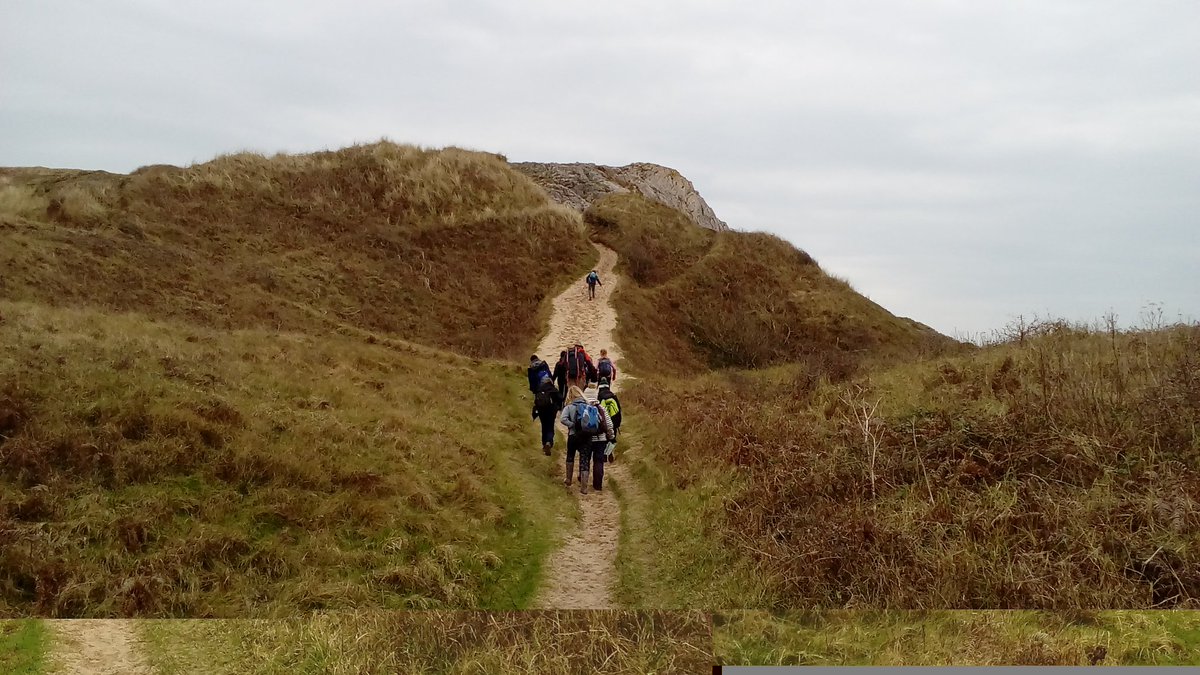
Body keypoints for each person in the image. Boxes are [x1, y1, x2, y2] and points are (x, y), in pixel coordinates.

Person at [558, 385, 614, 493]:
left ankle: (569, 479)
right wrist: (611, 437)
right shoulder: (591, 407)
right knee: (587, 459)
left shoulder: (570, 407)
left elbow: (562, 419)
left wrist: (572, 425)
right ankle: (585, 487)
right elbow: (604, 422)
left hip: (574, 435)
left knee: (571, 456)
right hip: (588, 437)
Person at [531, 374, 563, 456]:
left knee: (544, 427)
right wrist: (557, 407)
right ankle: (549, 442)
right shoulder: (553, 389)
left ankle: (544, 443)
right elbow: (561, 398)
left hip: (541, 411)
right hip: (551, 411)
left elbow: (536, 402)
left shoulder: (539, 390)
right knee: (550, 427)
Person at [596, 376, 622, 462]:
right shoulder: (613, 396)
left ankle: (604, 454)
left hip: (604, 419)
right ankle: (609, 452)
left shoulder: (600, 396)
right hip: (614, 418)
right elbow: (619, 410)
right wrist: (618, 423)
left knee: (604, 436)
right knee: (612, 436)